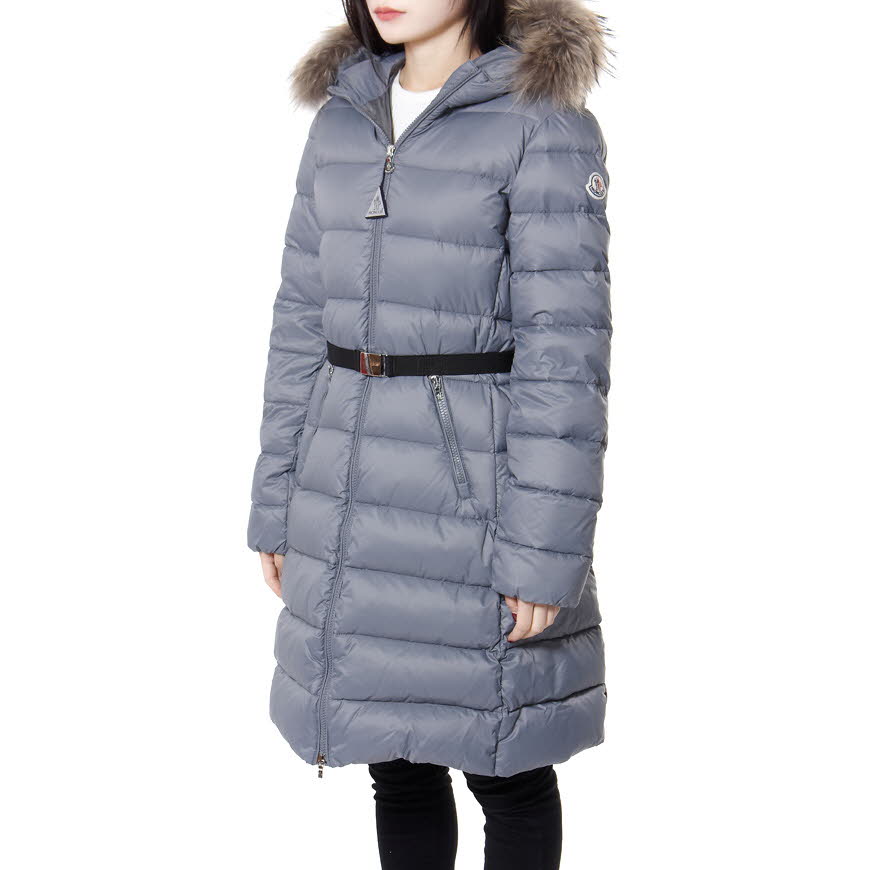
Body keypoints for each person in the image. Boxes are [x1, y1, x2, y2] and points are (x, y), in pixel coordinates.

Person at [248, 1, 612, 867]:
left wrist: (543, 552)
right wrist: (278, 500)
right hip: (344, 487)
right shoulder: (343, 117)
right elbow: (301, 321)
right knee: (395, 761)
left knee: (504, 759)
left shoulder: (542, 122)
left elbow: (566, 357)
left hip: (476, 495)